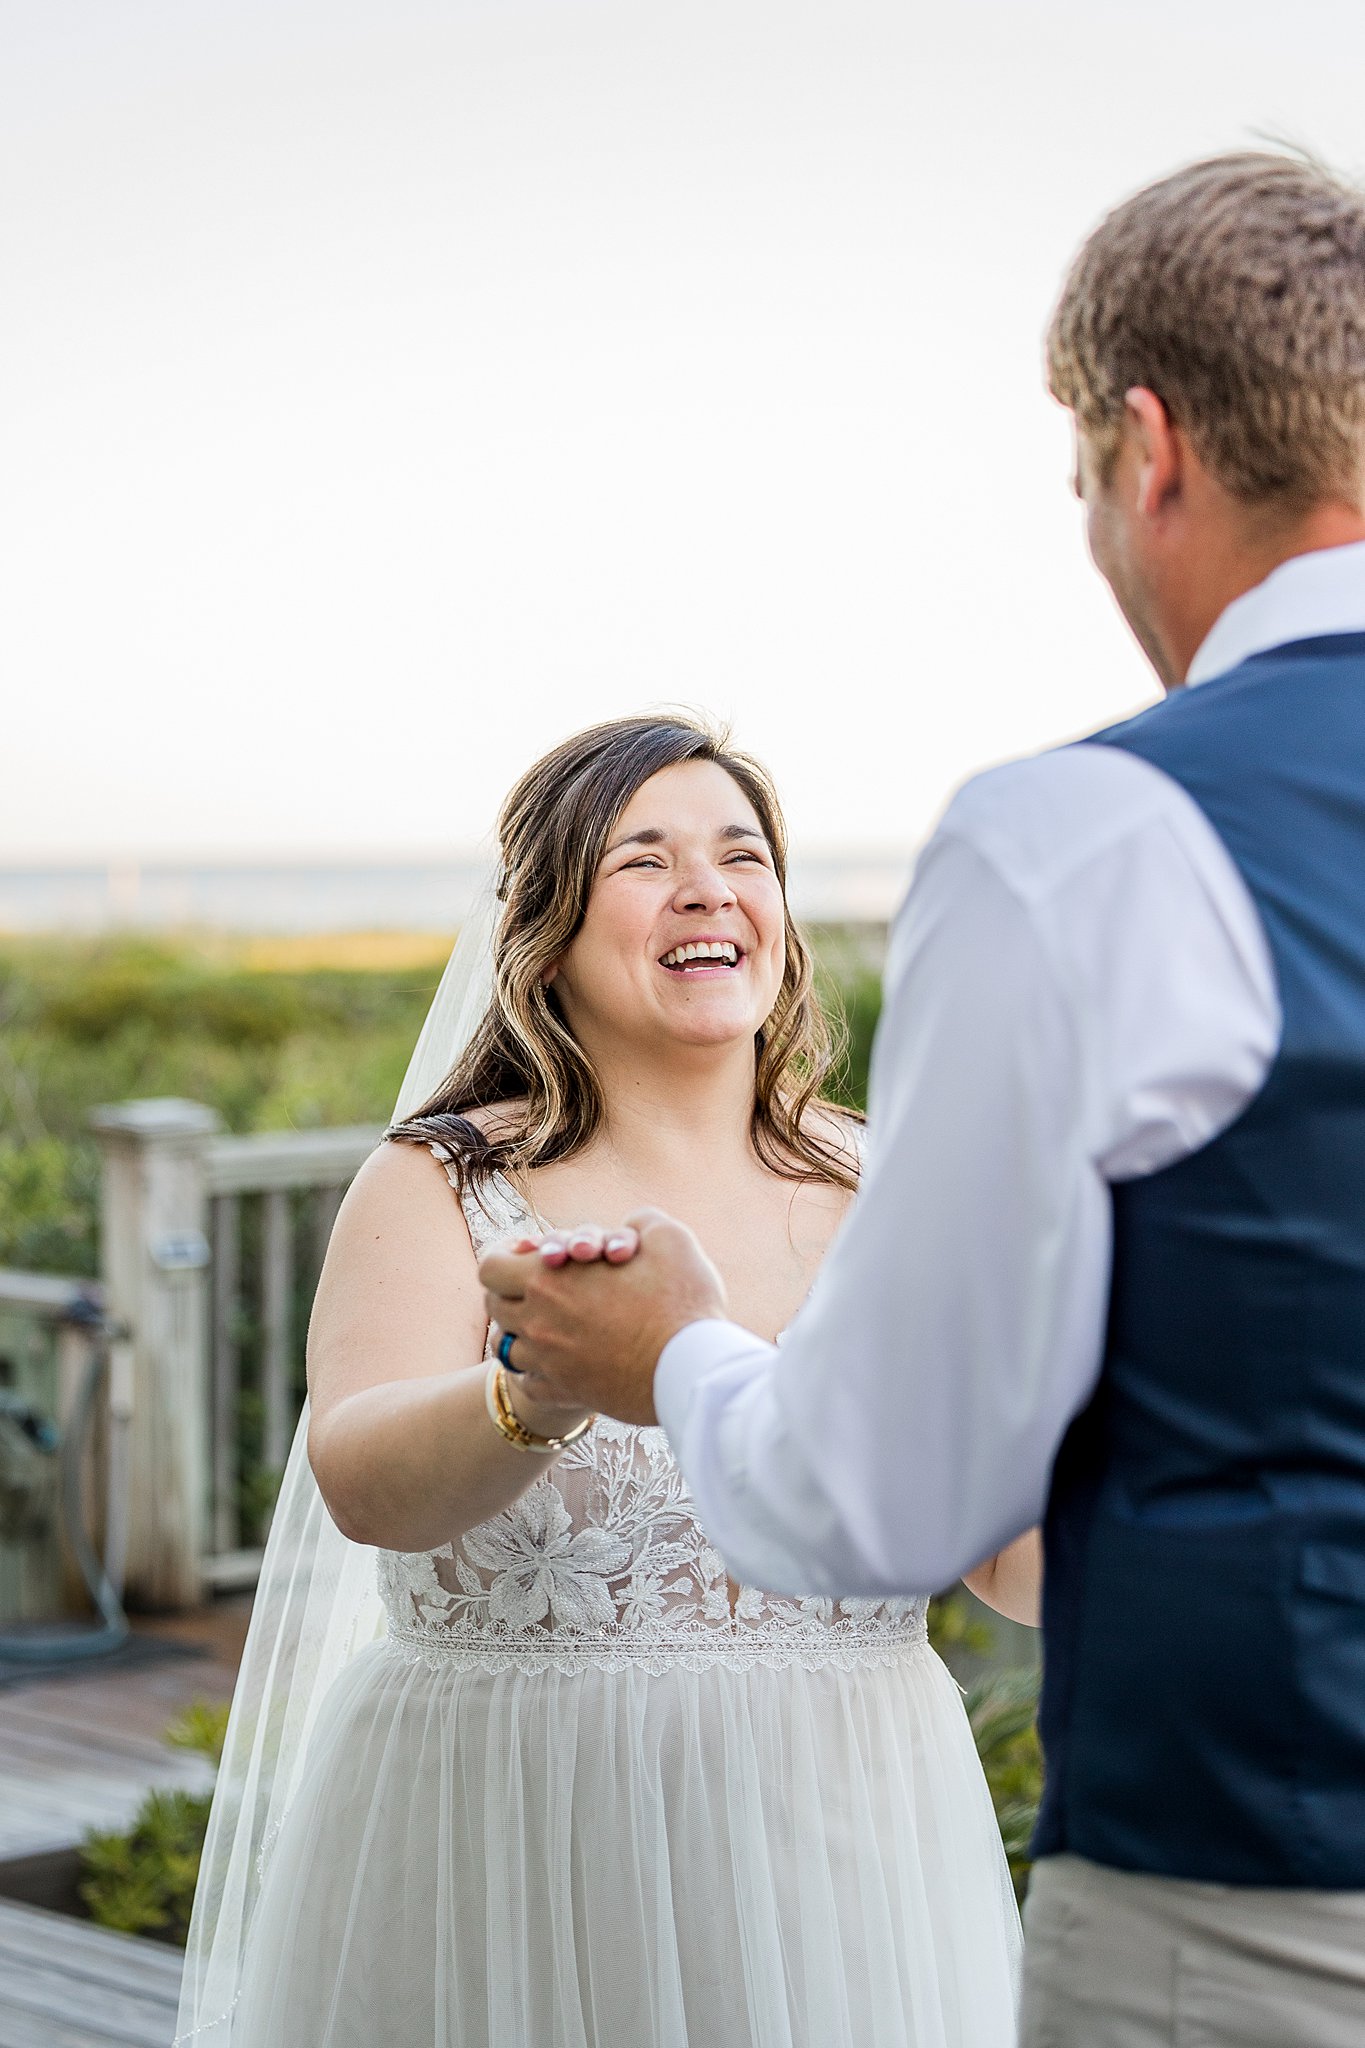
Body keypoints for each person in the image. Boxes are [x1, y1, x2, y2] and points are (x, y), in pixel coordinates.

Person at [479, 153, 1365, 2048]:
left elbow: (881, 1495)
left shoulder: (1087, 837)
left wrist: (677, 1358)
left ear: (1145, 449)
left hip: (1268, 1882)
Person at [178, 713, 1029, 2048]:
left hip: (845, 1834)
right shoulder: (443, 1182)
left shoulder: (904, 1188)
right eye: (644, 860)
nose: (707, 886)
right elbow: (361, 1482)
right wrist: (540, 1390)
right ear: (547, 932)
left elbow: (1014, 1565)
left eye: (741, 855)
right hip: (506, 1834)